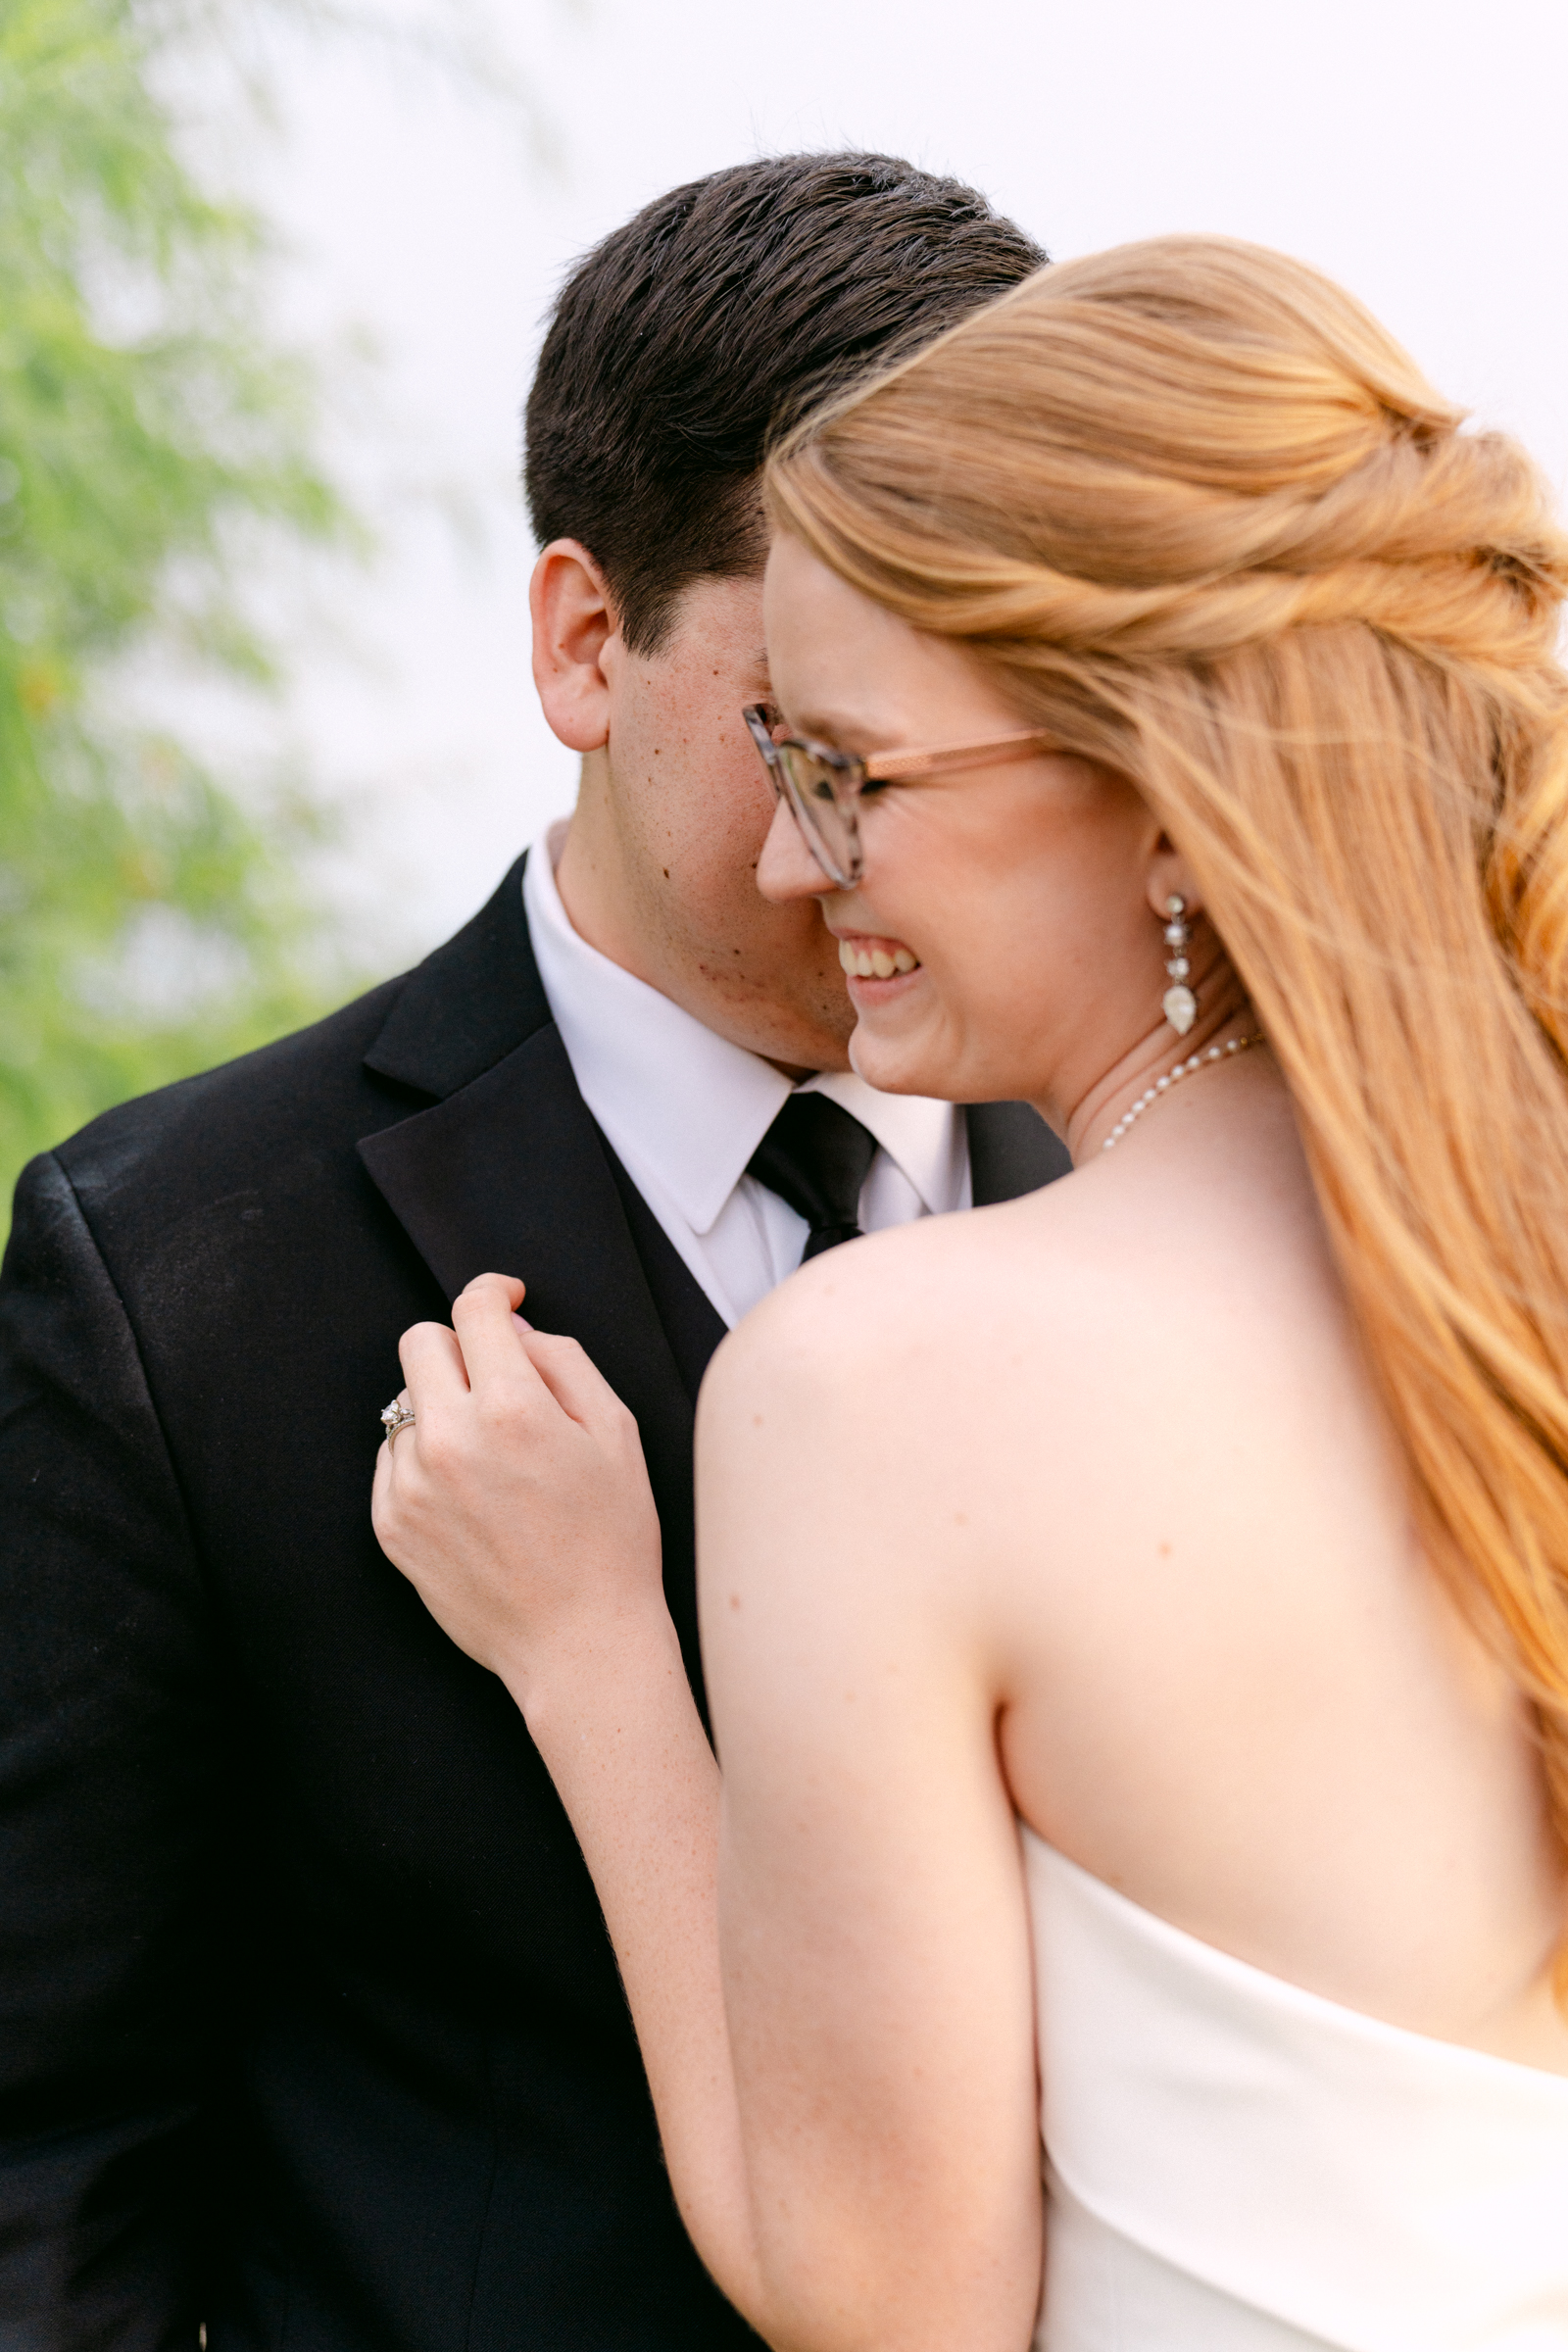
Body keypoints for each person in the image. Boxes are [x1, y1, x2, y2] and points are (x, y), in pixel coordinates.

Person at [373, 236, 1568, 2350]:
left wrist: (587, 1654)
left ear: (1166, 797)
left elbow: (884, 2306)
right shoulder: (1513, 1266)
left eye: (853, 771)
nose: (781, 859)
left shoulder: (878, 1387)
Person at [0, 155, 1064, 2352]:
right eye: (811, 728)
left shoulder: (1184, 1220)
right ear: (586, 640)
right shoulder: (172, 1272)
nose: (870, 834)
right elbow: (48, 2164)